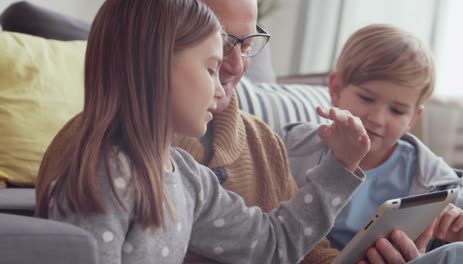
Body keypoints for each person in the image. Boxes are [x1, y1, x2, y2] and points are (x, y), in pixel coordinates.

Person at [35, 0, 371, 263]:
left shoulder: (187, 177)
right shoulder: (105, 170)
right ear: (155, 65)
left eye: (246, 44)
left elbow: (272, 246)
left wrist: (338, 167)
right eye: (211, 65)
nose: (232, 71)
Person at [283, 24, 463, 263]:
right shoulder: (293, 150)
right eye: (367, 98)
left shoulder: (432, 179)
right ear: (336, 89)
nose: (377, 118)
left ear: (413, 118)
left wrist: (459, 231)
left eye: (397, 110)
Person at [176, 0, 343, 262]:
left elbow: (301, 249)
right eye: (222, 41)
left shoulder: (264, 142)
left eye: (246, 45)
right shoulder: (118, 159)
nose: (236, 65)